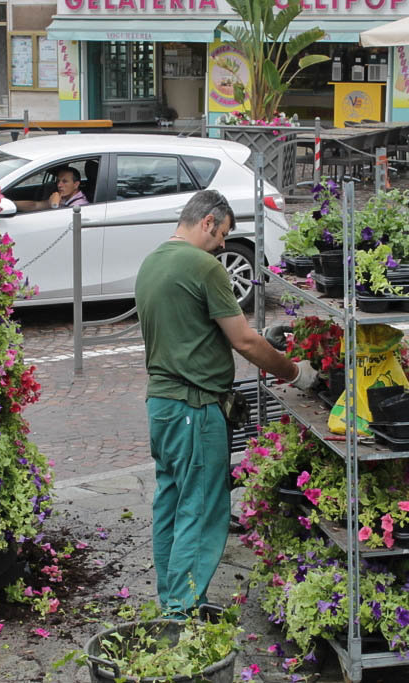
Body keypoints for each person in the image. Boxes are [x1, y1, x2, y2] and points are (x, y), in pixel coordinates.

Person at [134, 190, 313, 616]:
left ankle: (172, 597)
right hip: (196, 408)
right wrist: (295, 372)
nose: (222, 246)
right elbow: (245, 341)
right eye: (223, 234)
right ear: (209, 221)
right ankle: (181, 612)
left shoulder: (152, 261)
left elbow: (191, 330)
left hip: (162, 405)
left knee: (171, 502)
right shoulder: (203, 267)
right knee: (202, 507)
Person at [14, 166, 89, 212]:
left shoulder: (80, 205)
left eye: (64, 181)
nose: (59, 185)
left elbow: (59, 224)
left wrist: (54, 205)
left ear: (76, 185)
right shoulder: (63, 197)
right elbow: (35, 206)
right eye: (58, 181)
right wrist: (11, 204)